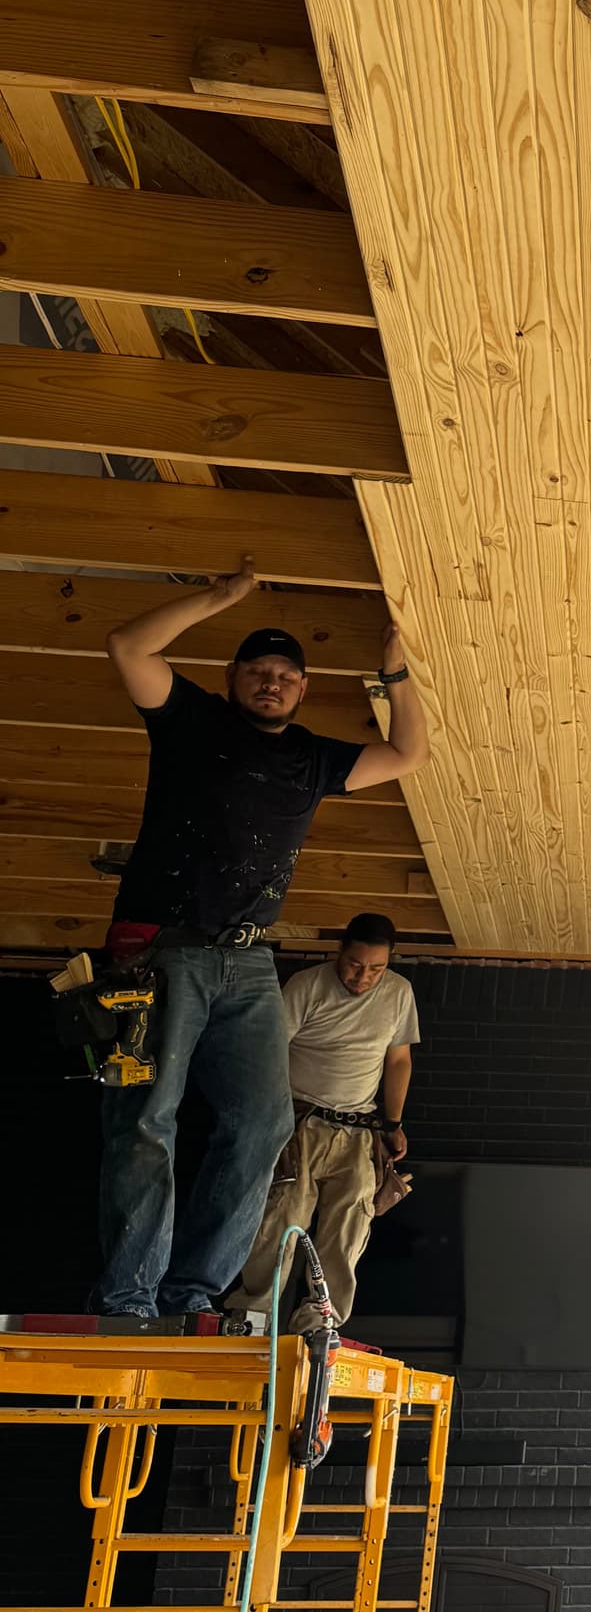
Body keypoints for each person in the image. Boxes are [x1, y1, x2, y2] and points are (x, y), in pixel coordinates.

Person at [92, 560, 429, 1318]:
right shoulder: (192, 721)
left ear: (303, 689)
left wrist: (394, 675)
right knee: (148, 1119)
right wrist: (215, 599)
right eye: (257, 670)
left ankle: (190, 1293)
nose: (271, 682)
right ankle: (129, 1299)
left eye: (285, 673)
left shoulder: (311, 759)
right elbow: (126, 646)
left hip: (247, 959)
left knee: (265, 1125)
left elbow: (409, 754)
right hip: (159, 946)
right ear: (233, 677)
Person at [225, 913, 419, 1335]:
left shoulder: (400, 993)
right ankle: (253, 1316)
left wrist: (393, 1122)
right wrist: (270, 1117)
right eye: (354, 963)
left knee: (348, 1232)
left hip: (361, 1131)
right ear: (340, 951)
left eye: (376, 968)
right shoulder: (306, 986)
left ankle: (319, 1323)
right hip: (302, 1122)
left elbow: (398, 1060)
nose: (363, 976)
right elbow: (271, 1053)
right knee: (281, 1220)